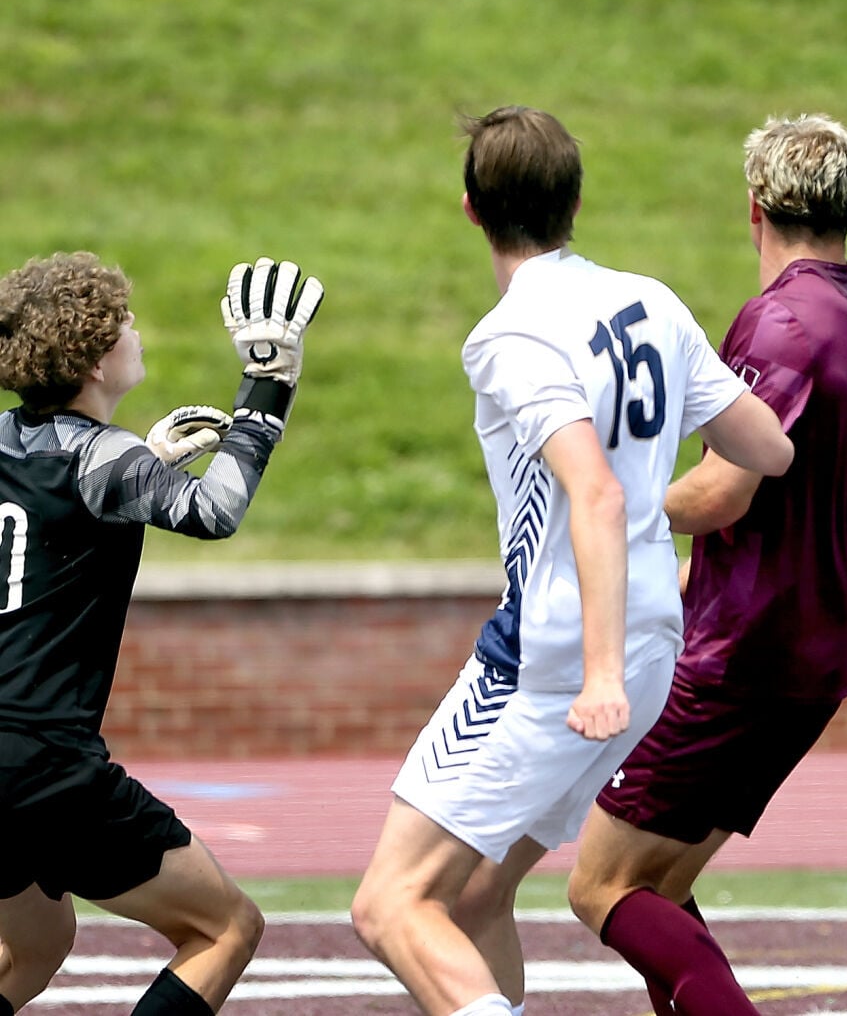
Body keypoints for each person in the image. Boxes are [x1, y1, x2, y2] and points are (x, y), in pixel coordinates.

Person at [349, 106, 794, 1016]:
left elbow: (593, 492)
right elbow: (767, 446)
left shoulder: (510, 337)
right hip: (651, 642)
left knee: (389, 904)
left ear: (471, 209)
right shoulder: (650, 300)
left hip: (554, 659)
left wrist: (594, 675)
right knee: (473, 897)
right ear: (575, 200)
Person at [0, 250, 323, 1016]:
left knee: (33, 946)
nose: (136, 331)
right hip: (44, 760)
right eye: (123, 324)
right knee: (226, 928)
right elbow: (215, 512)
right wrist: (268, 386)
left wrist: (142, 462)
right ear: (94, 358)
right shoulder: (102, 459)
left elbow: (53, 513)